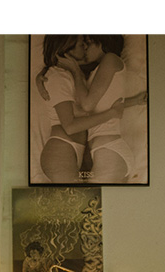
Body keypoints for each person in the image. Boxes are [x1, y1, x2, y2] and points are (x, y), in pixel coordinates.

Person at [35, 35, 125, 182]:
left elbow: (88, 107)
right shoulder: (57, 76)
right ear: (66, 50)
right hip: (61, 148)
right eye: (80, 45)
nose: (84, 47)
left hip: (72, 149)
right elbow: (70, 127)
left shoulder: (71, 74)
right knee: (77, 201)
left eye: (86, 43)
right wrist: (112, 114)